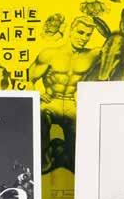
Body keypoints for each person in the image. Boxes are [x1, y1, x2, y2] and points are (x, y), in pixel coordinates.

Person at [28, 16, 100, 173]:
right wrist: (37, 93)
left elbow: (116, 53)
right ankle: (43, 160)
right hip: (51, 100)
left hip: (71, 102)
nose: (84, 38)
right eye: (80, 32)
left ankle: (62, 152)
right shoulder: (49, 54)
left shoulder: (93, 55)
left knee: (77, 161)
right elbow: (29, 78)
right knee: (39, 114)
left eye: (88, 35)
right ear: (71, 31)